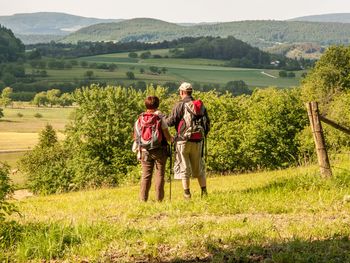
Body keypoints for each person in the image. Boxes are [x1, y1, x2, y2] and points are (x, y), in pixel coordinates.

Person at [166, 82, 210, 199]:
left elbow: (171, 122)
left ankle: (187, 194)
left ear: (182, 92)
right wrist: (202, 136)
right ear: (191, 92)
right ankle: (204, 192)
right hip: (198, 140)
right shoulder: (200, 105)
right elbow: (207, 124)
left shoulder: (180, 105)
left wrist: (162, 119)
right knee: (199, 167)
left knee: (184, 167)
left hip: (183, 140)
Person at [133, 96, 173, 202]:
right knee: (159, 175)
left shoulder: (140, 119)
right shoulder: (159, 119)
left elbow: (136, 136)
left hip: (145, 150)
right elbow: (167, 136)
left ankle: (143, 200)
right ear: (157, 105)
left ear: (146, 105)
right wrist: (172, 139)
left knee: (146, 175)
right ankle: (159, 200)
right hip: (160, 149)